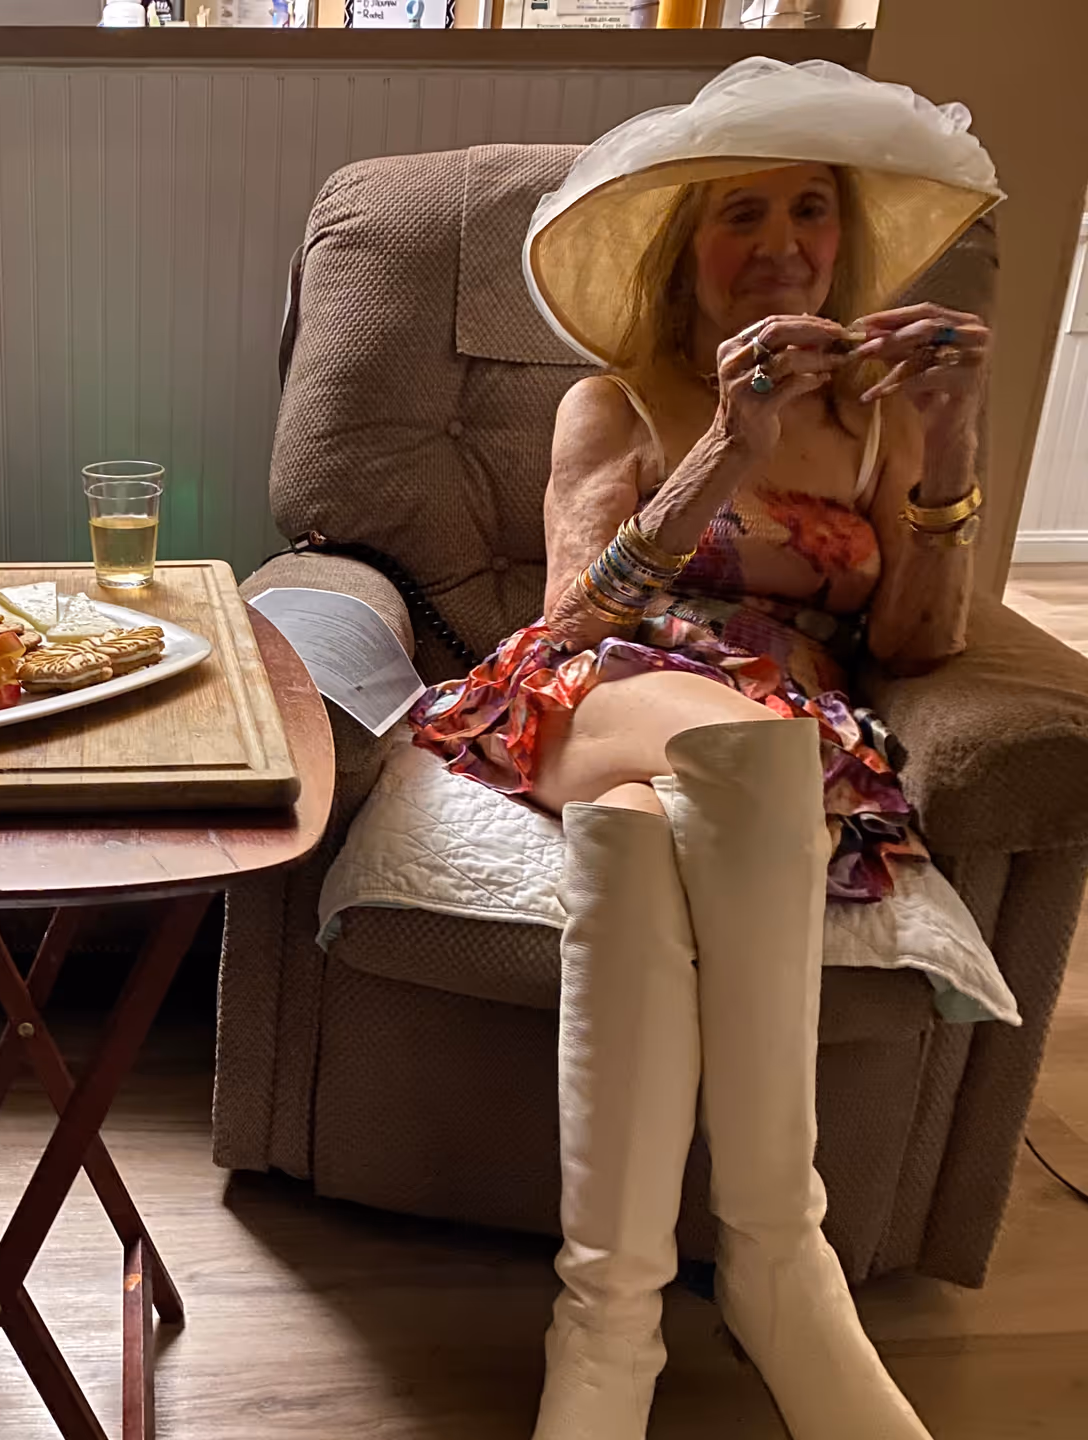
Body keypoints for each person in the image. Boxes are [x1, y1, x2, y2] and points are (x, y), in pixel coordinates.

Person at [406, 60, 1002, 1440]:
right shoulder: (611, 403)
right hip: (602, 689)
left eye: (810, 210)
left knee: (649, 822)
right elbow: (570, 617)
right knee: (746, 765)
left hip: (762, 741)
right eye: (743, 214)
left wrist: (950, 450)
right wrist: (726, 449)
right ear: (689, 254)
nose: (783, 242)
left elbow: (914, 649)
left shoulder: (881, 423)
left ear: (844, 242)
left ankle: (607, 1333)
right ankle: (784, 1268)